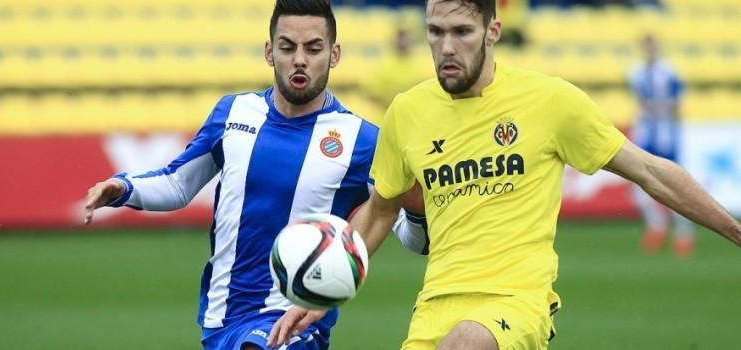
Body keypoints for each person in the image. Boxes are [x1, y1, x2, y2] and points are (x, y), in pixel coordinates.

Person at [269, 0, 741, 349]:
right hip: (435, 304)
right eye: (435, 32)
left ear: (492, 30)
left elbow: (650, 171)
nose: (446, 47)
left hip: (515, 300)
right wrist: (323, 289)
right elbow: (379, 211)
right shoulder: (407, 112)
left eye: (462, 32)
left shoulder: (550, 101)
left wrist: (733, 229)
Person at [83, 1, 425, 349]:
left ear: (334, 55)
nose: (300, 59)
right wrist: (123, 187)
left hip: (294, 321)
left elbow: (409, 235)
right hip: (222, 318)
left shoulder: (362, 140)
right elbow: (177, 183)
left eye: (314, 48)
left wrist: (416, 208)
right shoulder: (233, 113)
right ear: (269, 51)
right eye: (287, 47)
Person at [628, 34, 695, 257]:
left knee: (675, 185)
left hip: (666, 135)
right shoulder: (636, 73)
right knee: (638, 184)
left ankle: (684, 234)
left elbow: (676, 105)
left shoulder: (669, 72)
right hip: (646, 134)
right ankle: (657, 226)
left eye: (652, 46)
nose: (649, 50)